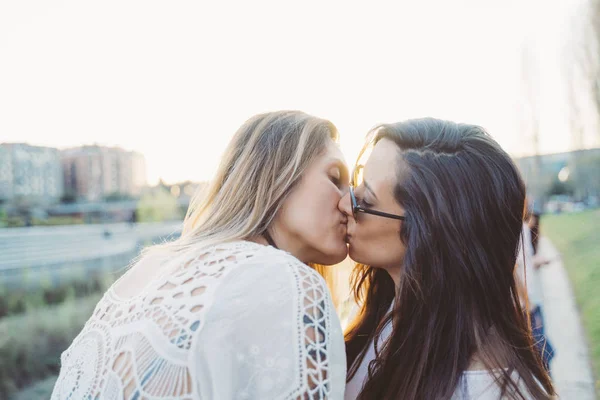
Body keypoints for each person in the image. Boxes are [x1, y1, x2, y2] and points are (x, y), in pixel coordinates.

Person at [51, 111, 349, 400]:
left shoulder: (149, 270)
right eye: (335, 179)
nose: (350, 202)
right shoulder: (285, 281)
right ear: (280, 177)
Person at [340, 118, 555, 399]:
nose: (346, 202)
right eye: (357, 181)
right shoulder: (397, 310)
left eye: (365, 200)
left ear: (428, 236)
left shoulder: (481, 389)